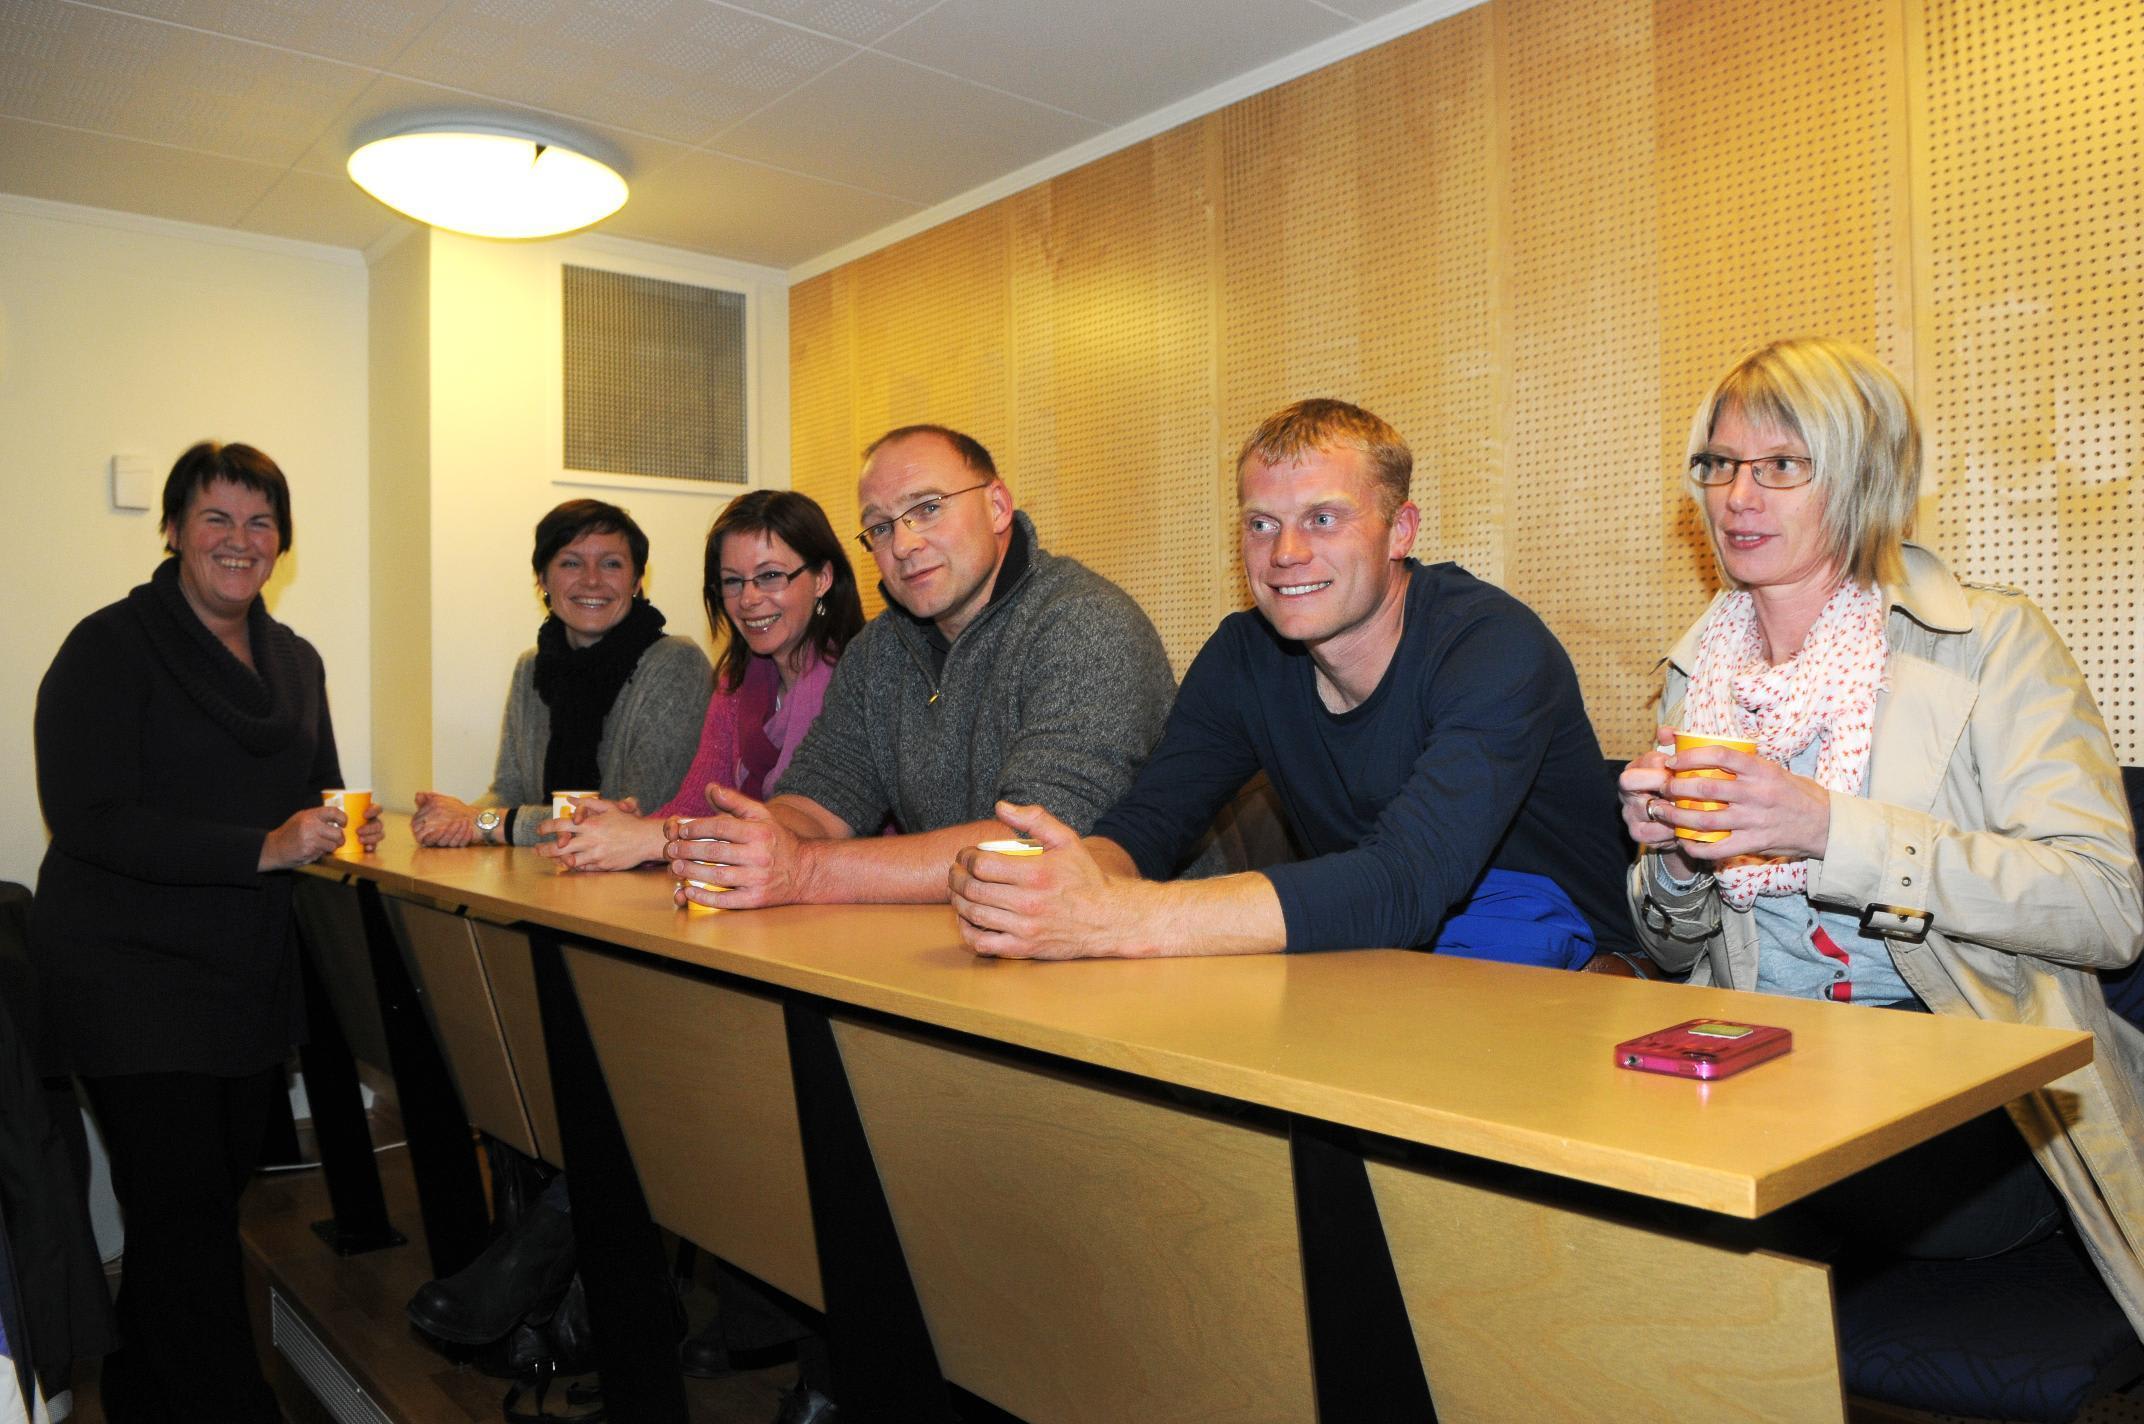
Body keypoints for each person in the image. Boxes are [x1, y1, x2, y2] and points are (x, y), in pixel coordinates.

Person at [1617, 338, 2144, 1326]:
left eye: (1781, 465)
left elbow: (2105, 910)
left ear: (1863, 477)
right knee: (1557, 1134)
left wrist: (1828, 828)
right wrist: (1675, 861)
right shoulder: (1702, 672)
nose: (1737, 495)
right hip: (1762, 1059)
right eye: (1719, 463)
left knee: (1679, 1181)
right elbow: (1673, 948)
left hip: (1974, 1092)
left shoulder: (1990, 643)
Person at [946, 399, 1635, 967]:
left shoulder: (1492, 645)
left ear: (1400, 531)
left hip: (1582, 980)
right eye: (1261, 525)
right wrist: (1064, 880)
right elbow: (1150, 824)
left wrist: (1121, 917)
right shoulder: (1245, 655)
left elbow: (1407, 880)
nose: (1285, 553)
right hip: (1385, 961)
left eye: (1323, 519)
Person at [30, 441, 382, 1422]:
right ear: (175, 530)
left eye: (260, 521)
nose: (240, 538)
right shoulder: (108, 647)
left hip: (241, 978)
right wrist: (261, 847)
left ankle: (141, 1390)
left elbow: (315, 789)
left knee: (192, 1206)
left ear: (282, 542)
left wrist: (342, 825)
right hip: (125, 973)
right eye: (216, 517)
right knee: (186, 1218)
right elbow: (89, 816)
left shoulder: (296, 662)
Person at [665, 424, 1177, 909]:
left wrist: (804, 869)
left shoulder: (1085, 624)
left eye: (928, 509)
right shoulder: (877, 652)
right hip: (960, 938)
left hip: (1138, 948)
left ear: (997, 506)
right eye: (880, 527)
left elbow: (1034, 842)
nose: (903, 545)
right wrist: (757, 844)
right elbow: (817, 800)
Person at [536, 490, 865, 873]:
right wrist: (628, 826)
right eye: (733, 581)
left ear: (822, 578)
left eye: (770, 576)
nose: (748, 598)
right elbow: (695, 805)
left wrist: (649, 838)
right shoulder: (734, 683)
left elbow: (807, 829)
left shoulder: (857, 680)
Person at [410, 498, 710, 849]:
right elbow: (508, 792)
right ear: (542, 579)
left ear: (637, 580)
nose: (592, 580)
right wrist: (451, 819)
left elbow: (634, 814)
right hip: (544, 870)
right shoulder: (533, 668)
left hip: (639, 878)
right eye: (571, 563)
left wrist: (482, 821)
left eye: (611, 564)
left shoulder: (676, 664)